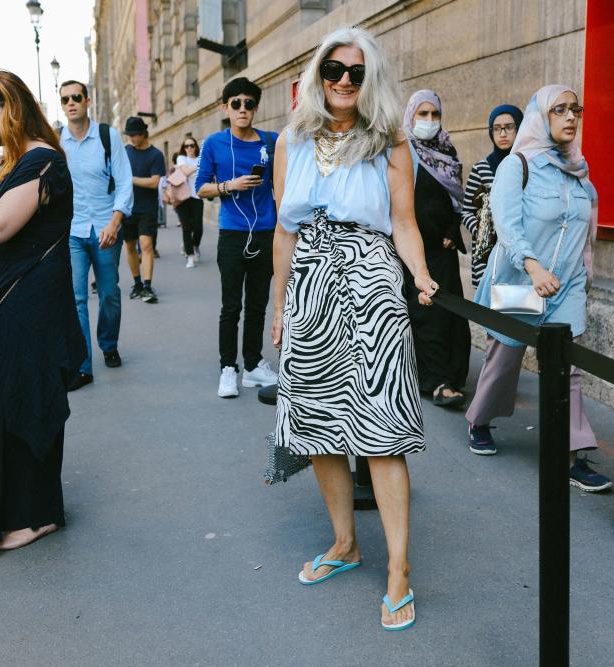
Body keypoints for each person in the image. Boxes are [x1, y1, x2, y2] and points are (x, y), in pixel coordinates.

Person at [272, 27, 439, 631]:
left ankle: (399, 568)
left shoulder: (391, 138)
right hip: (310, 282)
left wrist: (418, 273)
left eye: (357, 72)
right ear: (317, 75)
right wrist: (277, 309)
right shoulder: (292, 140)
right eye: (334, 70)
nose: (344, 80)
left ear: (371, 80)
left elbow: (404, 219)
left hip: (370, 278)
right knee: (319, 426)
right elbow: (284, 231)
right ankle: (345, 543)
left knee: (382, 430)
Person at [0, 70, 86, 549]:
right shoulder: (24, 161)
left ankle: (39, 514)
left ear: (10, 108)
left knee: (28, 399)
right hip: (21, 296)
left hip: (32, 302)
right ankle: (26, 509)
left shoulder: (42, 161)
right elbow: (8, 222)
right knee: (14, 397)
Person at [464, 84, 612, 493]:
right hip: (521, 280)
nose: (570, 117)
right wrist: (532, 266)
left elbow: (584, 240)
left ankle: (572, 454)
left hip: (566, 288)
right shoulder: (519, 165)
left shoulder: (579, 171)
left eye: (575, 110)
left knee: (569, 372)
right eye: (559, 110)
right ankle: (479, 419)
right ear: (540, 117)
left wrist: (581, 285)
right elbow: (507, 226)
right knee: (505, 360)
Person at [196, 77, 280, 398]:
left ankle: (254, 365)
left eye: (249, 104)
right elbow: (200, 187)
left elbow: (282, 184)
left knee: (258, 303)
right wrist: (230, 186)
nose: (243, 109)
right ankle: (228, 369)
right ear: (225, 108)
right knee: (231, 306)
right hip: (232, 234)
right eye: (236, 103)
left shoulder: (271, 142)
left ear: (256, 108)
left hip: (265, 232)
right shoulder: (215, 143)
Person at [58, 80, 134, 392]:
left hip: (105, 228)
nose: (71, 103)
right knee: (75, 299)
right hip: (73, 230)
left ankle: (108, 342)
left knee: (109, 294)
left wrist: (115, 222)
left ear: (87, 100)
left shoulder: (107, 135)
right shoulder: (56, 141)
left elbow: (125, 180)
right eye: (65, 99)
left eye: (76, 97)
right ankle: (83, 366)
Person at [403, 90, 471, 406]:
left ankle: (454, 376)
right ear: (411, 116)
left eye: (434, 114)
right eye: (423, 114)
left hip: (443, 249)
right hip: (412, 250)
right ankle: (437, 381)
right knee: (425, 316)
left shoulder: (447, 149)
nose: (429, 121)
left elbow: (457, 201)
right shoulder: (403, 152)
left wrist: (450, 230)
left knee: (451, 313)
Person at [461, 104, 523, 287]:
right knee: (488, 309)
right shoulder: (482, 168)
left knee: (519, 306)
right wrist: (484, 233)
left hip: (519, 252)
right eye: (496, 129)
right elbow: (466, 212)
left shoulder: (528, 167)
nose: (502, 134)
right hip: (488, 254)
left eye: (509, 127)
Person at [122, 116, 165, 303]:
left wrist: (130, 179)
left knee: (146, 246)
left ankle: (147, 286)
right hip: (127, 207)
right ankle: (137, 283)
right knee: (130, 246)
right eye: (129, 135)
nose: (131, 138)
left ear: (143, 133)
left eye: (134, 134)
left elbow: (154, 182)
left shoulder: (155, 155)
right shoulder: (125, 152)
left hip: (147, 207)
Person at [174, 136, 203, 268]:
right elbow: (185, 172)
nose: (189, 148)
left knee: (198, 228)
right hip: (182, 197)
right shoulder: (182, 159)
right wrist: (200, 164)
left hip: (197, 197)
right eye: (187, 146)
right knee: (186, 228)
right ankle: (190, 257)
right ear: (183, 148)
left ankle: (195, 245)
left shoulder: (199, 159)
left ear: (196, 146)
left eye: (192, 145)